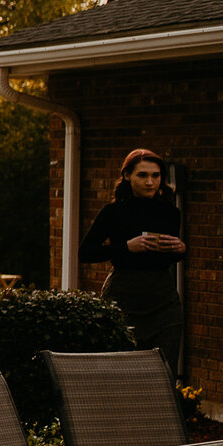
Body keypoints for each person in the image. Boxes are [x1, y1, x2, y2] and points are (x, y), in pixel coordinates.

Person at [81, 148, 190, 375]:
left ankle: (160, 410)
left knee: (163, 370)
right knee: (123, 370)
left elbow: (166, 256)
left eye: (156, 175)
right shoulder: (113, 212)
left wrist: (180, 250)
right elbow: (86, 253)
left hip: (163, 298)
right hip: (124, 296)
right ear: (127, 175)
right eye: (143, 175)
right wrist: (126, 247)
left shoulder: (170, 212)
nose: (151, 182)